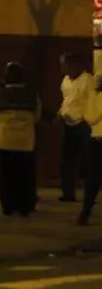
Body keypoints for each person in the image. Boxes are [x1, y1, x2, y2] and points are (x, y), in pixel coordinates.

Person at [0, 62, 41, 217]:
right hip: (25, 141)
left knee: (6, 174)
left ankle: (8, 205)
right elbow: (37, 115)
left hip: (4, 139)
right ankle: (24, 205)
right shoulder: (32, 95)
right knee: (25, 175)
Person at [59, 52, 93, 203]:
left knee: (86, 161)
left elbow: (94, 102)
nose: (62, 68)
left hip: (83, 125)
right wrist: (60, 114)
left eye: (64, 64)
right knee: (67, 160)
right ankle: (68, 193)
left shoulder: (87, 80)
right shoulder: (66, 81)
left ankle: (89, 194)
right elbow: (66, 101)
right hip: (68, 124)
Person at [77, 74, 102, 226]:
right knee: (93, 178)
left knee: (93, 179)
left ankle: (85, 213)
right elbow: (91, 117)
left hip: (96, 138)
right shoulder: (95, 97)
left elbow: (89, 116)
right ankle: (84, 212)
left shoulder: (94, 97)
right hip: (98, 138)